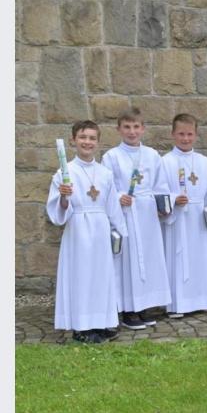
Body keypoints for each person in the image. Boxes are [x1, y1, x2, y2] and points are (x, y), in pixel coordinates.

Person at [47, 121, 127, 343]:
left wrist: (120, 231)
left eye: (92, 138)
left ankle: (101, 322)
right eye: (83, 137)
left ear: (98, 142)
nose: (87, 142)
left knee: (101, 277)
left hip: (100, 229)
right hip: (78, 229)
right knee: (82, 277)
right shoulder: (65, 173)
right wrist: (64, 197)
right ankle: (82, 327)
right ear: (73, 140)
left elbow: (112, 205)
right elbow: (59, 212)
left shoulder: (105, 173)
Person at [101, 107, 172, 330]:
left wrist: (163, 206)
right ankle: (129, 309)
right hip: (126, 214)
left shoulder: (151, 155)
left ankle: (145, 305)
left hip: (147, 214)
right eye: (127, 127)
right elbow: (107, 186)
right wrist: (119, 197)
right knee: (129, 260)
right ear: (119, 129)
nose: (132, 132)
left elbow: (161, 185)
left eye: (136, 127)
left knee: (149, 259)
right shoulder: (111, 156)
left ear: (143, 129)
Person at [160, 114, 207, 319]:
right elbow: (159, 190)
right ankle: (178, 303)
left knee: (201, 257)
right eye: (181, 134)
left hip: (198, 217)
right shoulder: (165, 162)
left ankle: (204, 299)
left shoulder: (205, 162)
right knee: (179, 257)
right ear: (173, 134)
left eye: (189, 134)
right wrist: (174, 199)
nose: (185, 138)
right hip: (177, 218)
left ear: (196, 135)